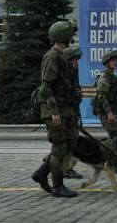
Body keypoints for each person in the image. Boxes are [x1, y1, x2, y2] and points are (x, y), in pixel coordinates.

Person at [32, 20, 79, 198]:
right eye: (70, 35)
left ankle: (41, 173)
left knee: (71, 143)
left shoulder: (62, 56)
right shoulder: (52, 57)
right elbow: (46, 87)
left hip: (65, 109)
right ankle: (57, 186)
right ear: (64, 37)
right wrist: (54, 113)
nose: (72, 38)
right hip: (55, 110)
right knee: (59, 147)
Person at [93, 50, 117, 174]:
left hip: (113, 112)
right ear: (107, 62)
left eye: (116, 61)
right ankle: (112, 164)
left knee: (115, 137)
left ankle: (105, 161)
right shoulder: (104, 77)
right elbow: (101, 96)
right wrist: (109, 113)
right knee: (115, 138)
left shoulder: (115, 78)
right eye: (112, 60)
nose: (115, 63)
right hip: (105, 112)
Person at [62, 47, 84, 179]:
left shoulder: (73, 76)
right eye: (74, 59)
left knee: (72, 142)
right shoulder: (64, 77)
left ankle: (67, 168)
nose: (77, 62)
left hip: (73, 114)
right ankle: (62, 168)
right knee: (67, 143)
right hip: (65, 115)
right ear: (68, 61)